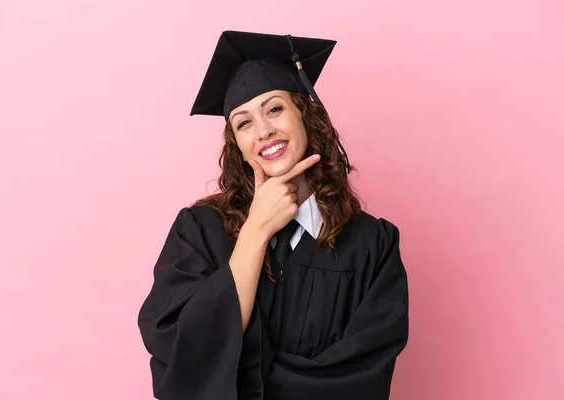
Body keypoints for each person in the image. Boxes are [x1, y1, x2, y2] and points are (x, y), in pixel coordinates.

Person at [138, 30, 409, 400]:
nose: (264, 130)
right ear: (236, 143)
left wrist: (242, 372)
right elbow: (177, 350)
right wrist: (257, 228)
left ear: (305, 114)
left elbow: (363, 375)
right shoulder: (199, 230)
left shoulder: (372, 245)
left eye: (275, 108)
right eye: (244, 122)